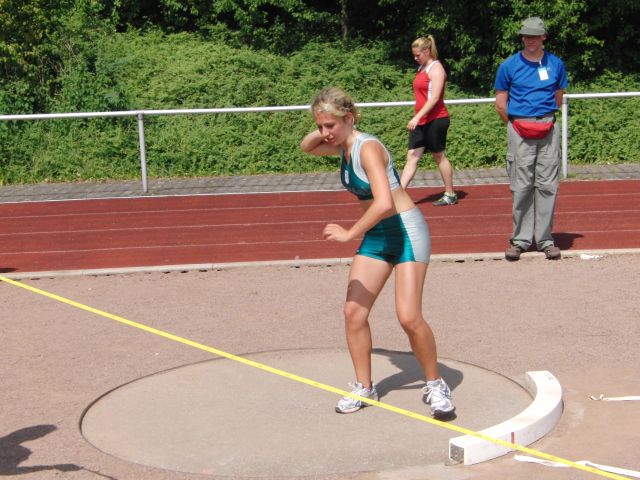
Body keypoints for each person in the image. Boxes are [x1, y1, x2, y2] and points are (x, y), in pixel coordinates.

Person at [300, 87, 455, 419]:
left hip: (406, 231)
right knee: (353, 313)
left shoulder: (367, 148)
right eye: (320, 126)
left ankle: (436, 384)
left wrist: (348, 234)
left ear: (349, 118)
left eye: (330, 125)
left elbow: (384, 203)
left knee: (408, 317)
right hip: (378, 234)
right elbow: (306, 147)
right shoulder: (342, 146)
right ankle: (364, 387)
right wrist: (325, 125)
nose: (324, 133)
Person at [494, 17, 568, 261]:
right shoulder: (508, 66)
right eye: (526, 36)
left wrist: (542, 119)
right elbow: (501, 104)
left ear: (543, 37)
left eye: (535, 36)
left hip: (548, 128)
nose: (530, 40)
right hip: (519, 130)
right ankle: (520, 240)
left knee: (548, 185)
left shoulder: (556, 64)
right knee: (521, 185)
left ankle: (545, 239)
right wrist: (516, 125)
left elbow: (558, 97)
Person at [402, 35, 457, 206]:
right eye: (414, 55)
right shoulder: (421, 68)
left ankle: (450, 194)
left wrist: (417, 117)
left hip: (436, 119)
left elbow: (434, 99)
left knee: (438, 155)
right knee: (412, 156)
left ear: (427, 51)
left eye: (418, 55)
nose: (415, 58)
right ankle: (398, 194)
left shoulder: (436, 69)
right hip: (421, 120)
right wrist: (418, 117)